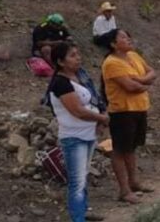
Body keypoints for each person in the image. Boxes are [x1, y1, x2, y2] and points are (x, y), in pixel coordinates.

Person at [48, 42, 108, 222]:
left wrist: (100, 118)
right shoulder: (61, 83)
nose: (78, 58)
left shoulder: (80, 76)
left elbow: (93, 102)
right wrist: (102, 119)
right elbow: (78, 111)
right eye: (73, 55)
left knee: (83, 176)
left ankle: (82, 211)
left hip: (87, 134)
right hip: (74, 137)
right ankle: (77, 217)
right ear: (60, 61)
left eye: (78, 54)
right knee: (77, 181)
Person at [101, 29, 156, 204]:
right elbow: (130, 87)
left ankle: (134, 182)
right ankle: (124, 190)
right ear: (113, 44)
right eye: (123, 37)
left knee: (131, 147)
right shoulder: (111, 63)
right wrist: (144, 81)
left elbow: (152, 73)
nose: (128, 39)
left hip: (139, 108)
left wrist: (138, 80)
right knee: (119, 150)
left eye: (128, 36)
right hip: (122, 111)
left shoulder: (133, 56)